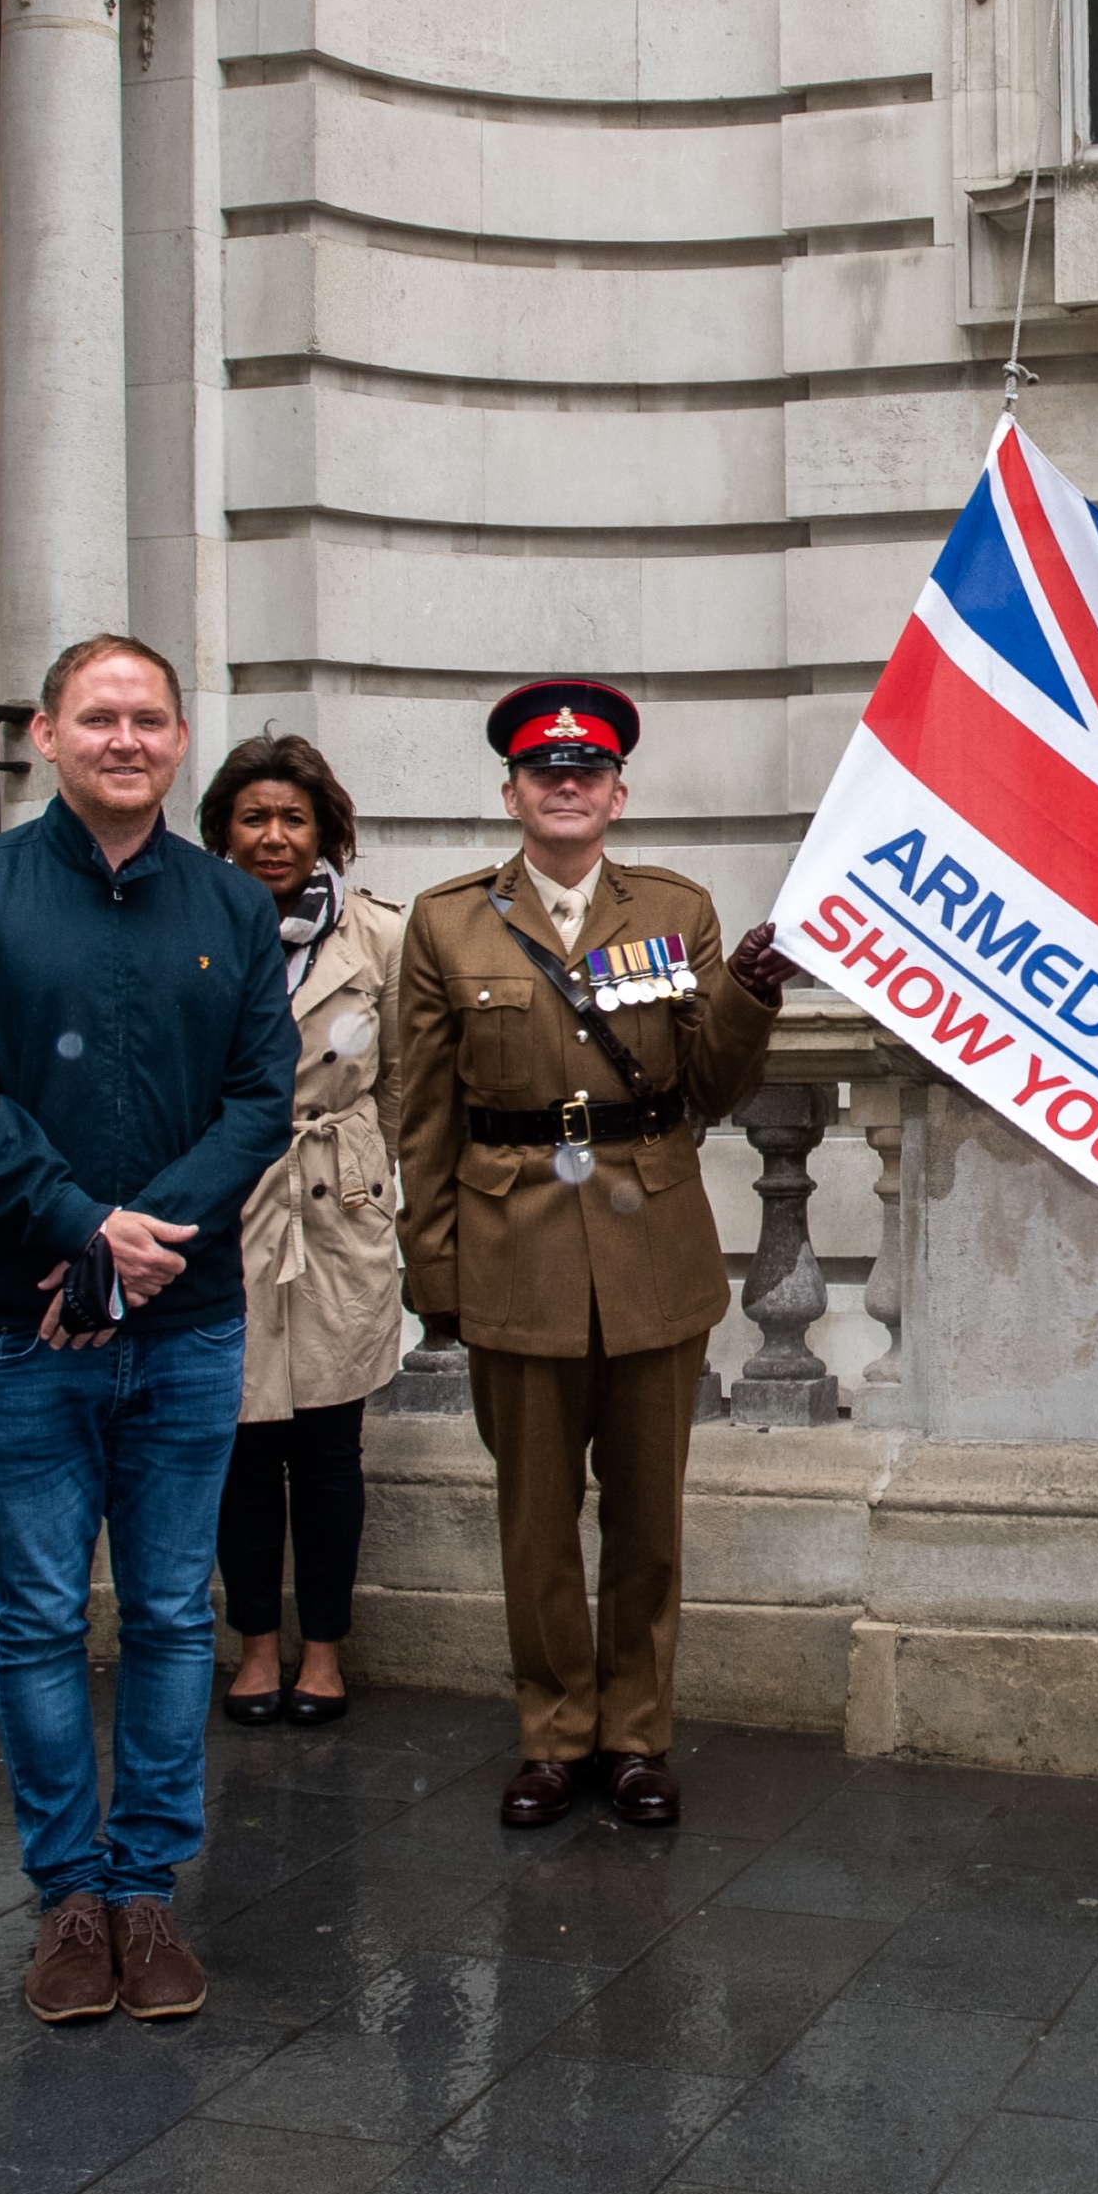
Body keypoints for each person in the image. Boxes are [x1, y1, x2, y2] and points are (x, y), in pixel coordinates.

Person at [0, 633, 299, 2023]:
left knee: (179, 1611)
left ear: (181, 741)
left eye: (148, 719)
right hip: (22, 1324)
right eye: (96, 716)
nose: (123, 739)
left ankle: (146, 1892)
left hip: (185, 1324)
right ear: (47, 735)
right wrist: (76, 1225)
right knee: (40, 1613)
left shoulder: (233, 908)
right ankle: (68, 1894)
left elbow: (258, 1097)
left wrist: (140, 1237)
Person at [384, 680, 786, 1832]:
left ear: (619, 792)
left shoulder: (675, 911)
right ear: (510, 791)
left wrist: (749, 998)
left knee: (651, 1519)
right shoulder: (450, 920)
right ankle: (555, 1733)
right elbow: (421, 1115)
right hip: (513, 1246)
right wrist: (437, 1272)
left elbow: (712, 1086)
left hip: (653, 1245)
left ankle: (637, 1733)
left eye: (588, 770)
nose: (567, 784)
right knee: (536, 1515)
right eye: (544, 770)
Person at [203, 734, 402, 1732]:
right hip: (229, 1206)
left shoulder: (376, 935)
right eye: (253, 817)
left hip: (339, 1211)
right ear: (223, 832)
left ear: (324, 827)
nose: (273, 836)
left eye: (292, 817)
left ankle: (323, 1648)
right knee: (240, 1442)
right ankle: (255, 1645)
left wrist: (393, 1195)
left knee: (329, 1444)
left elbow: (406, 1082)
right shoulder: (190, 927)